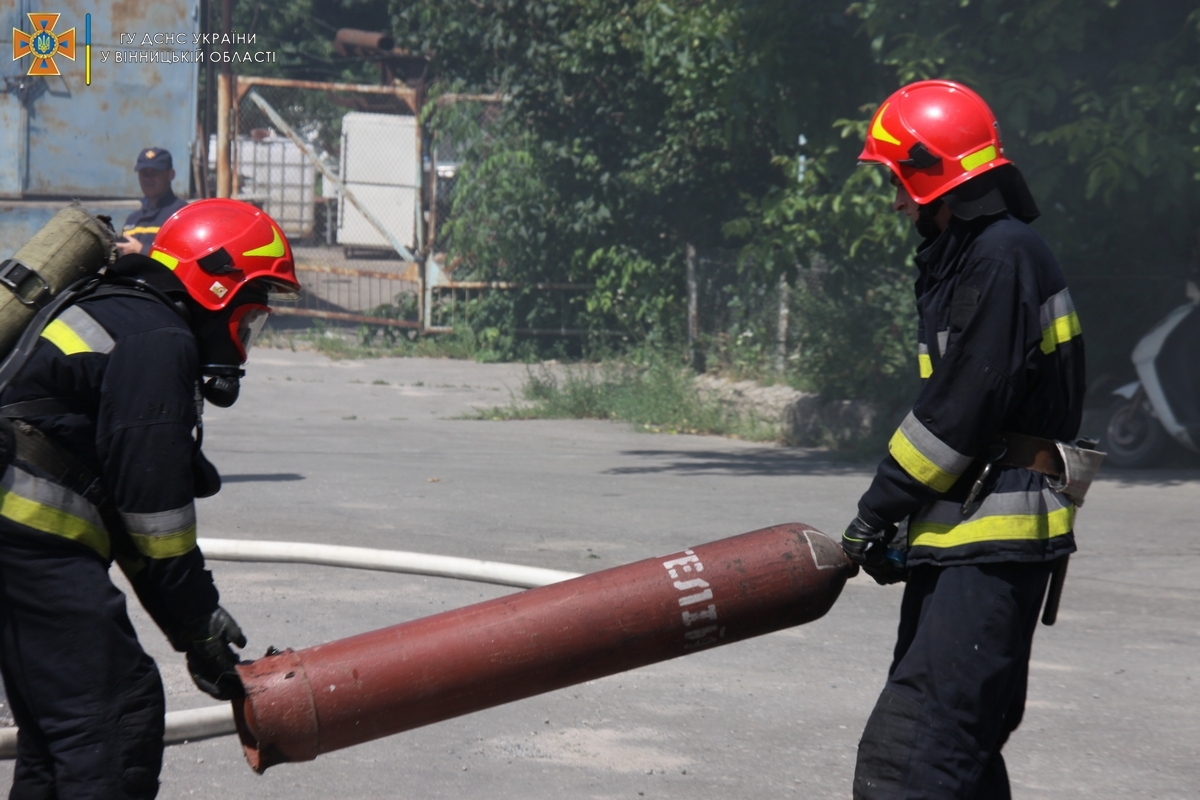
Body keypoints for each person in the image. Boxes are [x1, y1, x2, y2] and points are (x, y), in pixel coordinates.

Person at [0, 199, 301, 798]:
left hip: (20, 540)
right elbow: (155, 515)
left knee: (62, 739)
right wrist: (196, 617)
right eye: (250, 310)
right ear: (216, 287)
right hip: (28, 538)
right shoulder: (159, 339)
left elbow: (129, 519)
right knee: (115, 720)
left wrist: (196, 633)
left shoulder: (125, 316)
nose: (246, 334)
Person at [841, 80, 1087, 800]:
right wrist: (911, 533)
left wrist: (877, 510)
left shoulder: (1000, 255)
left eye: (896, 179)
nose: (895, 200)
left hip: (994, 538)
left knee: (910, 765)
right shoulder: (983, 256)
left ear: (926, 174)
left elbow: (960, 411)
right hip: (969, 541)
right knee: (960, 762)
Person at [115, 148, 188, 258]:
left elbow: (181, 262)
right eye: (144, 173)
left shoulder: (182, 214)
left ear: (171, 175)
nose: (148, 179)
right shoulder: (132, 220)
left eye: (155, 173)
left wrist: (143, 251)